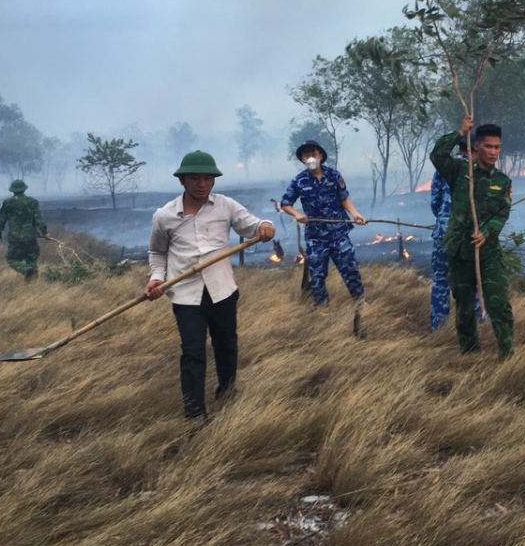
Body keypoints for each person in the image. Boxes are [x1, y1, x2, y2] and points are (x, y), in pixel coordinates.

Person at [145, 151, 275, 423]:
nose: (202, 184)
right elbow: (157, 253)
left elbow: (251, 225)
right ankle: (194, 412)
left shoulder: (226, 206)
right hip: (185, 296)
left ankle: (227, 393)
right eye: (195, 178)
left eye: (207, 178)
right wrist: (156, 278)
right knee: (193, 352)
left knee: (226, 345)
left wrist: (265, 226)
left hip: (222, 291)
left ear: (214, 181)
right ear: (182, 180)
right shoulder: (164, 216)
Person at [430, 115, 513, 359]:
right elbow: (437, 156)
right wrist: (458, 133)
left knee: (499, 303)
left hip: (488, 252)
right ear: (476, 146)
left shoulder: (502, 181)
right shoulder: (459, 171)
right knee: (464, 307)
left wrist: (486, 232)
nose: (493, 152)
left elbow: (501, 213)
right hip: (459, 250)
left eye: (497, 147)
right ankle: (469, 353)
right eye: (488, 146)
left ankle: (507, 355)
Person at [279, 141, 366, 307]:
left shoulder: (334, 175)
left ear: (321, 155)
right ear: (302, 159)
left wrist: (355, 214)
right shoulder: (299, 181)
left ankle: (360, 302)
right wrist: (298, 215)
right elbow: (285, 204)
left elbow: (344, 198)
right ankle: (321, 307)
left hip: (339, 233)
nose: (310, 157)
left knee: (350, 268)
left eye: (313, 153)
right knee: (317, 275)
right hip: (316, 237)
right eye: (306, 155)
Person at [429, 136, 472, 331]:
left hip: (443, 232)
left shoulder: (443, 168)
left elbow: (435, 203)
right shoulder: (479, 170)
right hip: (469, 235)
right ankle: (477, 326)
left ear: (459, 149)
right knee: (472, 281)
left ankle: (438, 328)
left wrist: (444, 219)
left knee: (440, 280)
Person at [0, 179, 48, 280]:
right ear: (24, 189)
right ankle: (33, 282)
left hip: (15, 237)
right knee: (32, 259)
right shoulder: (33, 202)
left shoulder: (7, 203)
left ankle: (25, 270)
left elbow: (1, 220)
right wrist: (45, 233)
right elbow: (39, 219)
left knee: (11, 259)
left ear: (12, 190)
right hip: (31, 236)